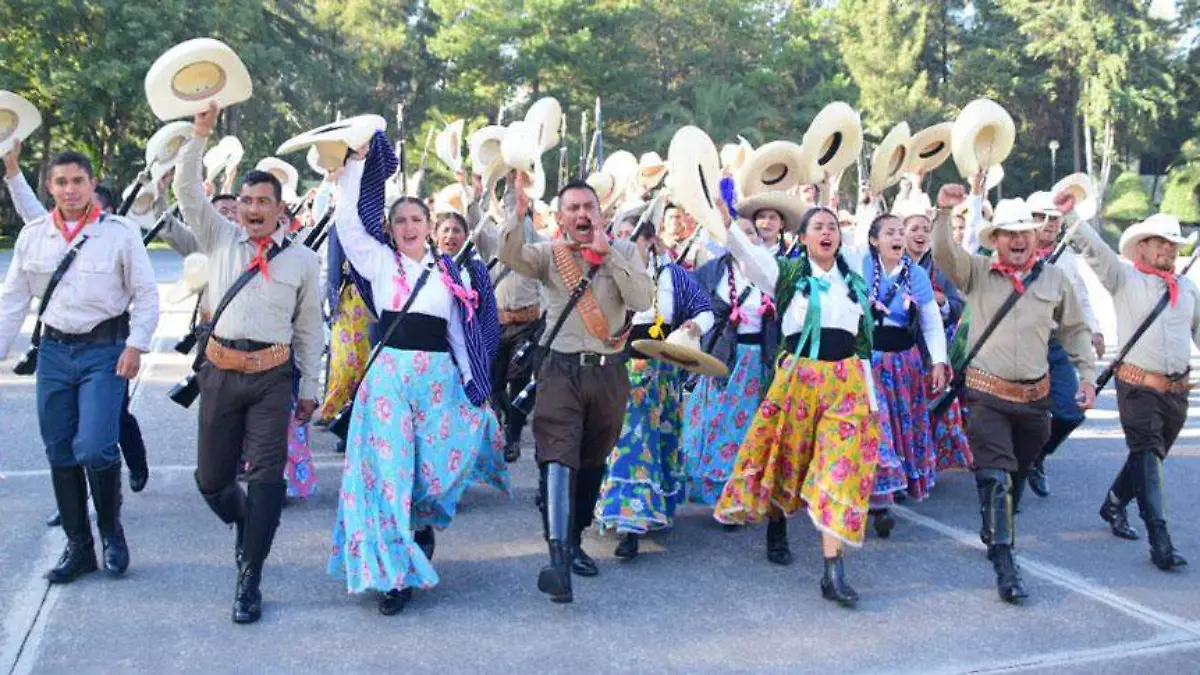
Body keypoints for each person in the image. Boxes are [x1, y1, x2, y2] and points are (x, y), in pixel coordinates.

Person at [328, 150, 501, 616]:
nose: (407, 226)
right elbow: (346, 222)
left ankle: (419, 527)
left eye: (415, 219)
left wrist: (475, 389)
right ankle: (392, 577)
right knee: (389, 477)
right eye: (399, 219)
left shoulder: (452, 274)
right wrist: (347, 173)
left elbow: (459, 338)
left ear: (428, 225)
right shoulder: (380, 263)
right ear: (390, 227)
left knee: (427, 476)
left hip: (437, 385)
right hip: (387, 384)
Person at [175, 102, 323, 624]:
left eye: (264, 201)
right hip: (219, 372)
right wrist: (199, 137)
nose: (254, 208)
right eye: (247, 200)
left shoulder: (304, 259)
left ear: (281, 209)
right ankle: (248, 525)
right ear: (236, 206)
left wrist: (312, 388)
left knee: (266, 476)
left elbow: (310, 327)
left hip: (271, 377)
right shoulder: (218, 237)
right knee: (212, 481)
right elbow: (187, 192)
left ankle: (250, 574)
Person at [0, 145, 159, 584]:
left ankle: (111, 532)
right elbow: (13, 300)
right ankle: (80, 547)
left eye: (78, 181)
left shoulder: (119, 233)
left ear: (92, 184)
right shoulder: (34, 235)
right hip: (53, 353)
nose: (70, 190)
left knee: (94, 445)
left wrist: (137, 346)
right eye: (61, 182)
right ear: (49, 187)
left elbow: (145, 293)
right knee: (59, 449)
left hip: (103, 351)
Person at [931, 185, 1095, 605]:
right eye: (1008, 233)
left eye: (1023, 231)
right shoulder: (978, 272)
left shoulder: (1054, 278)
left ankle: (995, 525)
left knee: (1018, 474)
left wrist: (1087, 376)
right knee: (996, 474)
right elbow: (945, 255)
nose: (1018, 239)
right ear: (996, 240)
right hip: (986, 394)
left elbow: (1075, 331)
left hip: (1034, 400)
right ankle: (1005, 563)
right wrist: (944, 211)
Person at [714, 206, 882, 608]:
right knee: (787, 458)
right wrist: (724, 221)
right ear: (803, 237)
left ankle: (833, 570)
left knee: (839, 470)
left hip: (846, 385)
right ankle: (776, 526)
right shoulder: (787, 275)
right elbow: (750, 260)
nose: (827, 232)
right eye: (818, 227)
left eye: (833, 227)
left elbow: (862, 348)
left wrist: (871, 400)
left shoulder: (855, 284)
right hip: (798, 381)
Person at [499, 174, 654, 604]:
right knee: (557, 457)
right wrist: (517, 214)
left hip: (609, 373)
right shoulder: (550, 255)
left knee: (590, 463)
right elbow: (509, 254)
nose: (582, 214)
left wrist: (611, 259)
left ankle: (576, 537)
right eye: (573, 208)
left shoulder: (624, 251)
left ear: (600, 212)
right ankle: (558, 560)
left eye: (589, 207)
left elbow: (642, 300)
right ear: (562, 216)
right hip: (560, 371)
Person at [1067, 205, 1195, 571]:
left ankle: (1114, 501)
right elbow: (1095, 251)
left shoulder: (1187, 289)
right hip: (1138, 388)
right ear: (1142, 247)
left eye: (1173, 245)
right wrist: (1071, 218)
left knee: (1148, 458)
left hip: (1177, 393)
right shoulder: (1124, 279)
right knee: (1146, 454)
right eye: (1161, 244)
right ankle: (1161, 541)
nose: (1168, 251)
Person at [594, 220, 713, 558]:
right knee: (628, 438)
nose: (632, 246)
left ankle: (654, 507)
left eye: (639, 238)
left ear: (652, 241)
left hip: (662, 370)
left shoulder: (671, 275)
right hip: (620, 366)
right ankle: (628, 522)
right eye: (625, 237)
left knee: (660, 438)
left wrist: (695, 324)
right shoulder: (606, 271)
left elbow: (705, 310)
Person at [860, 213, 949, 537]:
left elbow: (930, 321)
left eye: (901, 232)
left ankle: (894, 485)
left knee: (902, 425)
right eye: (890, 232)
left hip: (905, 363)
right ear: (874, 240)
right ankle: (880, 500)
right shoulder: (861, 268)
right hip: (869, 362)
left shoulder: (918, 277)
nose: (898, 238)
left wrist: (938, 361)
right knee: (877, 424)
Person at [684, 216, 776, 509]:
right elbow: (690, 304)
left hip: (757, 360)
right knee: (710, 423)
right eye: (740, 233)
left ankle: (737, 495)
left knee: (747, 430)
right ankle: (712, 490)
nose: (746, 238)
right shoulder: (713, 272)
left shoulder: (771, 272)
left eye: (752, 233)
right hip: (721, 359)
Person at [1024, 191, 1105, 498]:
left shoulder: (1067, 259)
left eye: (1054, 219)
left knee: (1071, 411)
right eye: (1040, 218)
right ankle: (1008, 487)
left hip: (1054, 343)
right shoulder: (1011, 255)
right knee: (1018, 416)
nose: (1048, 224)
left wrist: (1094, 331)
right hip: (1018, 344)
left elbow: (1080, 299)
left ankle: (1038, 456)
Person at [433, 208, 508, 493]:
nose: (451, 236)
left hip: (468, 351)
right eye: (446, 230)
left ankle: (457, 477)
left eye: (456, 231)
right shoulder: (427, 267)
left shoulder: (474, 270)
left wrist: (479, 355)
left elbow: (487, 313)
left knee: (462, 419)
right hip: (436, 353)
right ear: (435, 235)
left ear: (466, 236)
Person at [474, 191, 546, 464]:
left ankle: (513, 438)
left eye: (520, 207)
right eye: (509, 206)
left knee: (518, 384)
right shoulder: (493, 238)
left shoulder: (541, 245)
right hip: (497, 323)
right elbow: (474, 219)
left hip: (528, 324)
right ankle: (504, 424)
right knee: (493, 384)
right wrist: (481, 190)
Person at [902, 210, 973, 472]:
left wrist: (939, 300)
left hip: (932, 354)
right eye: (914, 228)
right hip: (899, 353)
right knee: (903, 413)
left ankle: (924, 464)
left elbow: (957, 305)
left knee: (934, 412)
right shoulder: (889, 265)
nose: (921, 234)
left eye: (925, 229)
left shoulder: (941, 267)